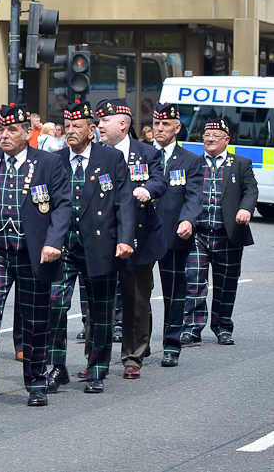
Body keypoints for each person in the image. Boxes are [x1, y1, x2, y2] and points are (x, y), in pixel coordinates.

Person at [0, 103, 71, 409]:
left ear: (27, 132)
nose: (3, 135)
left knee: (35, 320)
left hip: (32, 252)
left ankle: (36, 382)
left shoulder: (48, 163)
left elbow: (62, 206)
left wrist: (53, 241)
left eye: (11, 130)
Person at [47, 101, 134, 394]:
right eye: (67, 126)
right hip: (64, 246)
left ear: (91, 130)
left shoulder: (110, 159)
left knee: (100, 310)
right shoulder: (55, 160)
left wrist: (124, 238)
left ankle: (97, 368)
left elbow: (123, 202)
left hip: (99, 244)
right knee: (56, 304)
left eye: (77, 127)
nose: (70, 132)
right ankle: (58, 366)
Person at [95, 98, 167, 380]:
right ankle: (96, 358)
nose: (99, 125)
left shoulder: (146, 153)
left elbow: (160, 180)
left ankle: (133, 356)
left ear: (123, 124)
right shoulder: (96, 153)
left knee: (136, 299)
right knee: (98, 300)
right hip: (103, 236)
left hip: (138, 237)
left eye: (105, 121)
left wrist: (147, 190)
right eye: (99, 121)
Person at [182, 118, 258, 346]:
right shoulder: (194, 162)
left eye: (216, 136)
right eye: (207, 135)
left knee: (226, 285)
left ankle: (223, 327)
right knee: (194, 281)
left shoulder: (241, 164)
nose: (210, 139)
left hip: (228, 235)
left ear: (227, 139)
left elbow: (251, 190)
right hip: (199, 234)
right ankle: (192, 328)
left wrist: (246, 208)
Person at [151, 102, 204, 367]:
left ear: (177, 128)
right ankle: (137, 346)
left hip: (174, 234)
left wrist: (188, 220)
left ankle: (171, 345)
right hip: (143, 236)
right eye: (156, 124)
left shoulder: (190, 160)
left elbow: (194, 196)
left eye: (165, 124)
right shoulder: (143, 155)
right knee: (137, 293)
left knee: (174, 293)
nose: (159, 129)